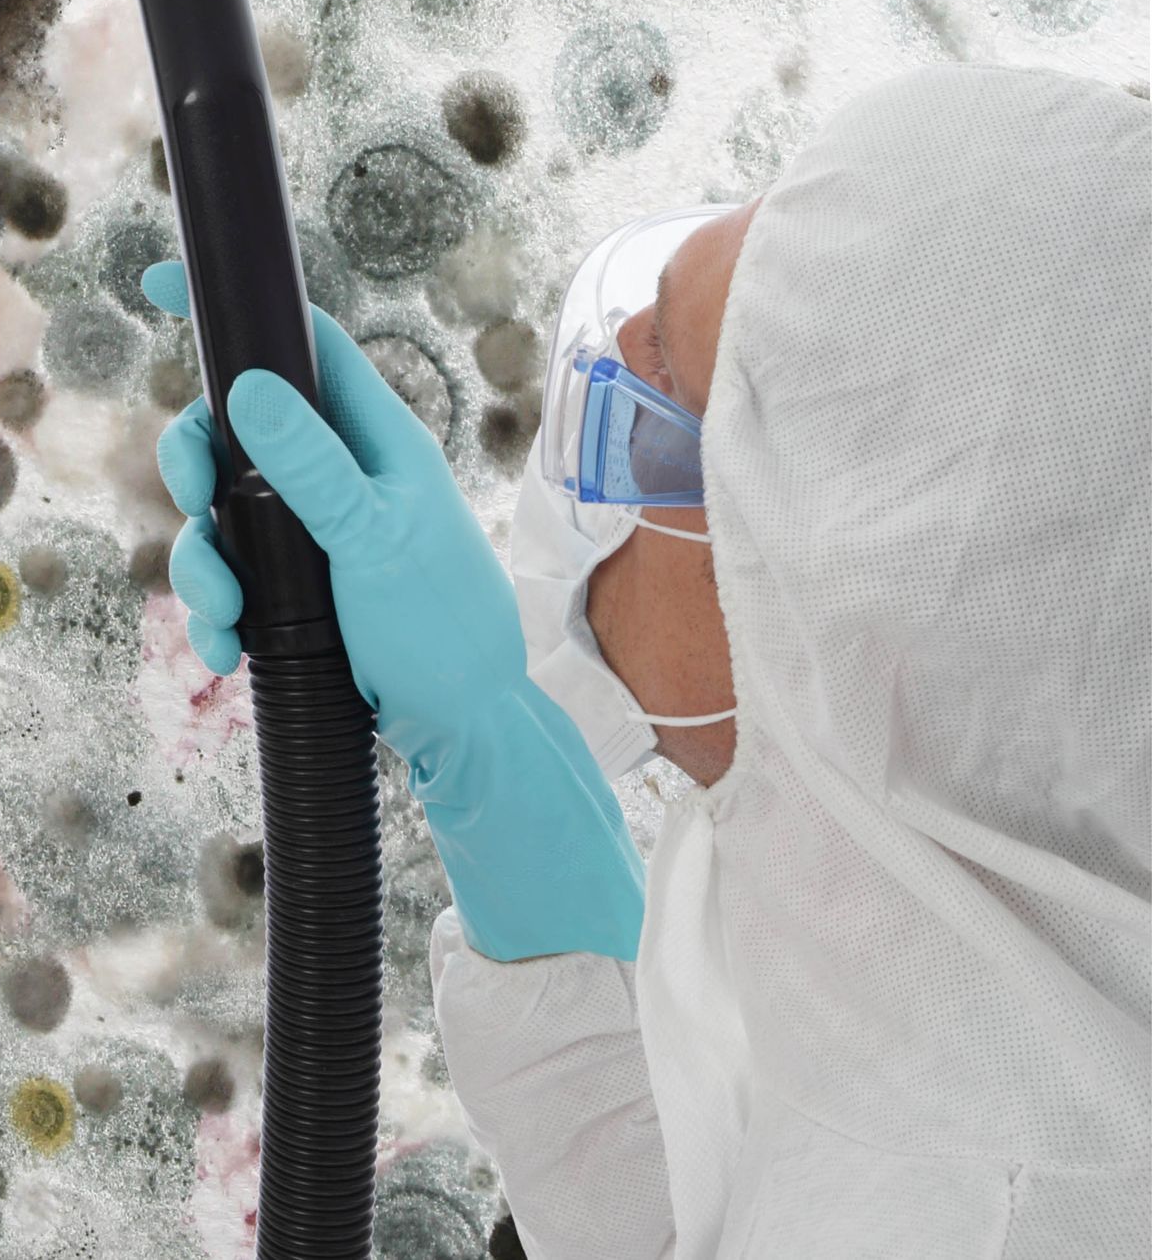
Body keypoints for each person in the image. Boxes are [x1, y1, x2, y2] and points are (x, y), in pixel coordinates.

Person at [141, 63, 1151, 1256]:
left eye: (662, 394)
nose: (608, 354)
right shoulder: (1007, 1044)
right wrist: (494, 757)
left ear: (844, 614)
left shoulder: (987, 1220)